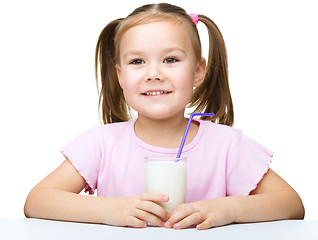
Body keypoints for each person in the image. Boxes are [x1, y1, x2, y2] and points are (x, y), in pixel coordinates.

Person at [24, 3, 305, 230]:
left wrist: (228, 209)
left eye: (170, 59)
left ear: (198, 71)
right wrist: (107, 209)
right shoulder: (100, 144)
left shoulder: (227, 145)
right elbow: (37, 201)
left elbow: (291, 204)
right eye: (137, 61)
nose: (153, 73)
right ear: (120, 76)